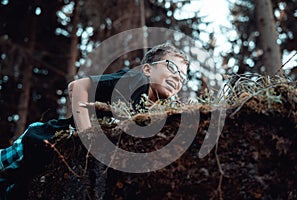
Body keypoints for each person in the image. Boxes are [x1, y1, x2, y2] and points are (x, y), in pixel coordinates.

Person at [0, 43, 189, 199]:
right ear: (147, 69)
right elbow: (78, 86)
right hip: (41, 139)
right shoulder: (133, 80)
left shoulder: (159, 115)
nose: (177, 76)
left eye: (183, 75)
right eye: (172, 67)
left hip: (45, 168)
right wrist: (88, 136)